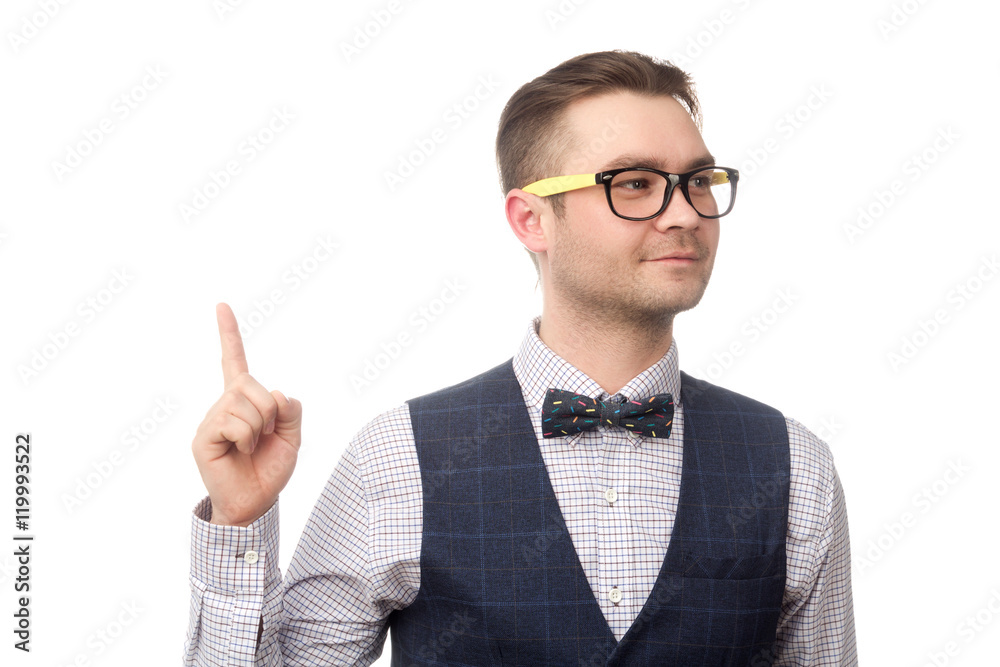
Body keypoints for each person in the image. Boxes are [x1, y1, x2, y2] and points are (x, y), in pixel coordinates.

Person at [184, 50, 856, 666]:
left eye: (698, 181)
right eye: (635, 183)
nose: (684, 214)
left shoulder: (795, 467)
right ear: (531, 219)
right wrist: (238, 522)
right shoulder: (397, 458)